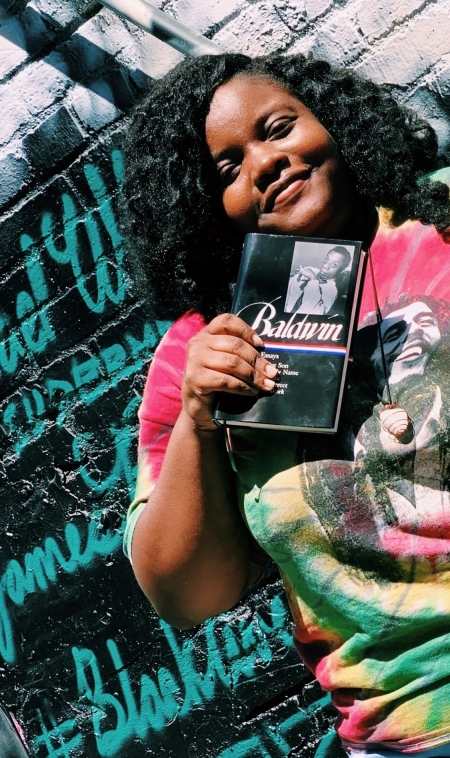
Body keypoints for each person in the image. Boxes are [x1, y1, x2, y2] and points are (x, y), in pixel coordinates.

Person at [122, 52, 450, 758]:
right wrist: (201, 422)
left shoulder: (442, 219)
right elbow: (185, 596)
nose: (265, 164)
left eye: (278, 129)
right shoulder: (200, 351)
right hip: (408, 730)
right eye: (227, 171)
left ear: (330, 119)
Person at [285, 245, 351, 314]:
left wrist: (313, 279)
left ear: (341, 270)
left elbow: (308, 312)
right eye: (326, 260)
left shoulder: (331, 292)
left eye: (334, 265)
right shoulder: (309, 269)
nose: (325, 266)